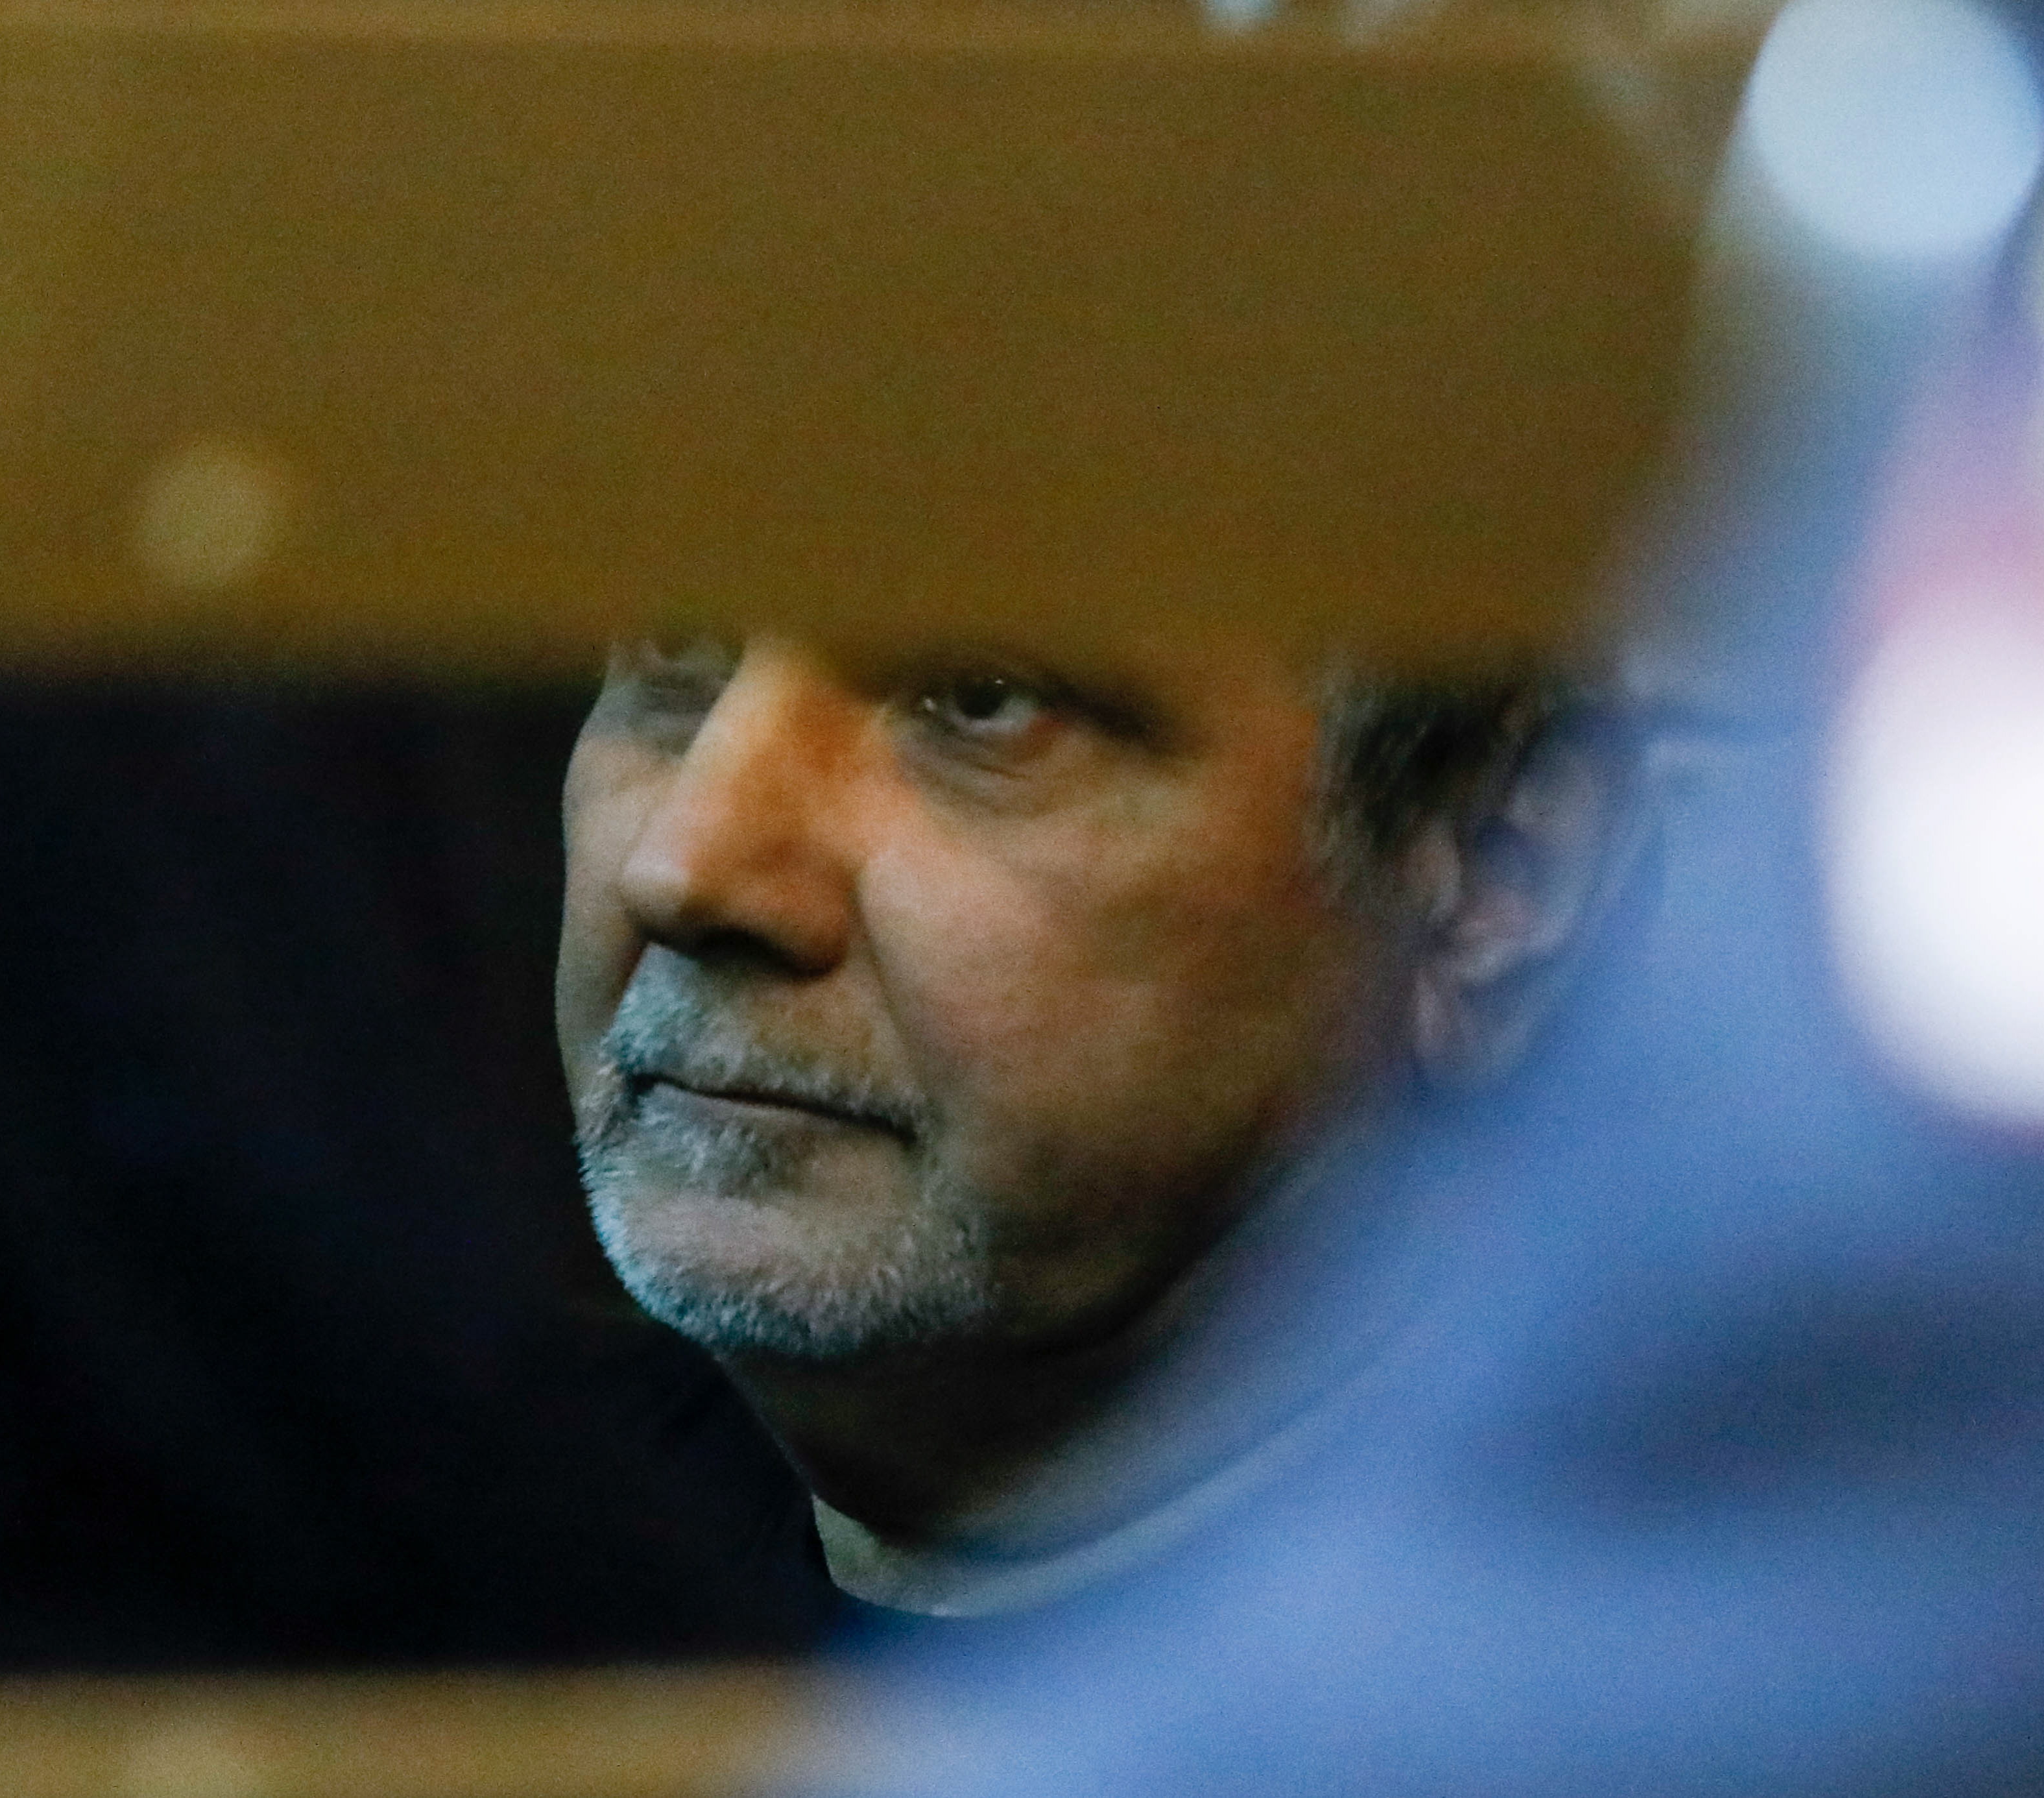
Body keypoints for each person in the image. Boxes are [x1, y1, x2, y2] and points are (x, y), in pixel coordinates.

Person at [556, 631, 1633, 1614]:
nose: (683, 869)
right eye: (678, 645)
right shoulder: (486, 1552)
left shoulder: (1640, 1674)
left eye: (982, 699)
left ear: (1494, 875)